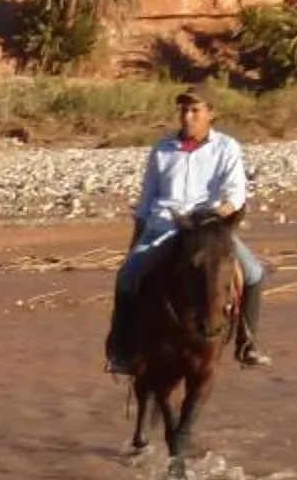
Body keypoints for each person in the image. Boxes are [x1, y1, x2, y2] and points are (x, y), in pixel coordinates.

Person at [109, 90, 268, 374]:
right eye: (183, 110)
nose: (187, 116)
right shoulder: (162, 149)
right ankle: (123, 349)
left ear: (211, 113)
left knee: (254, 273)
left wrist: (211, 216)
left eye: (195, 110)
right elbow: (147, 199)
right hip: (163, 225)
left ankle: (248, 344)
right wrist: (136, 241)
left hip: (207, 228)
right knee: (126, 277)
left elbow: (235, 196)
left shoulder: (226, 148)